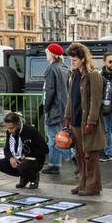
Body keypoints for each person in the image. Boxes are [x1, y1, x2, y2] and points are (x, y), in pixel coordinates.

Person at [64, 42, 103, 196]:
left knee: (90, 155)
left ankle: (93, 185)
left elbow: (95, 101)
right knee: (79, 155)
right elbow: (70, 98)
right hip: (75, 120)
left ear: (82, 59)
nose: (71, 63)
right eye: (71, 60)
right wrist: (67, 116)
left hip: (86, 121)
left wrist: (91, 122)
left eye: (74, 60)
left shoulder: (93, 75)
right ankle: (83, 182)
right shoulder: (74, 75)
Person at [39, 42, 72, 176]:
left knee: (55, 139)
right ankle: (54, 165)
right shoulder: (64, 68)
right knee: (55, 138)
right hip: (63, 108)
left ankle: (74, 158)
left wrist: (45, 108)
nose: (46, 54)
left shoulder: (51, 69)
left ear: (52, 54)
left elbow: (50, 92)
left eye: (47, 52)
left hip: (54, 110)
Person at [0, 110, 47, 188]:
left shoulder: (30, 131)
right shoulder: (9, 132)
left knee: (22, 166)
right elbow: (6, 149)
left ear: (18, 125)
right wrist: (11, 158)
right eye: (7, 128)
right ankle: (25, 176)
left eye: (11, 128)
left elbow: (44, 149)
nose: (9, 130)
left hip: (34, 159)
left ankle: (34, 177)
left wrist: (27, 155)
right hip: (18, 158)